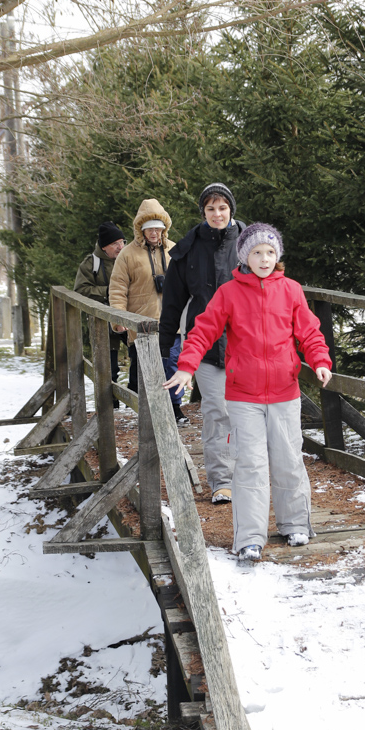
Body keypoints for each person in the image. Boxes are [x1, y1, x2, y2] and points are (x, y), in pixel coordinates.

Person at [164, 222, 332, 561]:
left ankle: (295, 524)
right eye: (257, 252)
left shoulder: (291, 290)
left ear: (277, 256)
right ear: (244, 256)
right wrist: (186, 366)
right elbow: (202, 331)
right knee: (250, 465)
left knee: (288, 460)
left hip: (285, 392)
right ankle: (249, 538)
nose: (264, 259)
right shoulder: (229, 293)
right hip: (243, 395)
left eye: (270, 252)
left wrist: (320, 360)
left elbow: (310, 332)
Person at [159, 182, 246, 504]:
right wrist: (164, 345)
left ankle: (248, 475)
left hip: (246, 345)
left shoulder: (250, 242)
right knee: (217, 411)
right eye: (211, 208)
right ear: (203, 212)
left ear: (231, 209)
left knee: (248, 412)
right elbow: (172, 301)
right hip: (205, 345)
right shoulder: (188, 248)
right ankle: (222, 481)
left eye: (222, 208)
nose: (217, 214)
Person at [108, 198, 185, 421]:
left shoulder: (175, 250)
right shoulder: (127, 254)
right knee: (146, 370)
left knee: (172, 365)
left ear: (164, 228)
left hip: (172, 322)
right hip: (140, 323)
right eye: (149, 228)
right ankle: (150, 413)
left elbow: (188, 283)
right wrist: (118, 319)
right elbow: (117, 289)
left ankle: (175, 408)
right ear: (141, 229)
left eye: (158, 228)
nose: (154, 233)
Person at [73, 221, 127, 398]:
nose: (120, 247)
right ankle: (111, 407)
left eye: (122, 242)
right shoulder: (90, 264)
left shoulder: (129, 259)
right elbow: (80, 291)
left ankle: (135, 399)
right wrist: (109, 292)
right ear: (104, 246)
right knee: (108, 369)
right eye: (115, 243)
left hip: (128, 318)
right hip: (102, 322)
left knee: (140, 359)